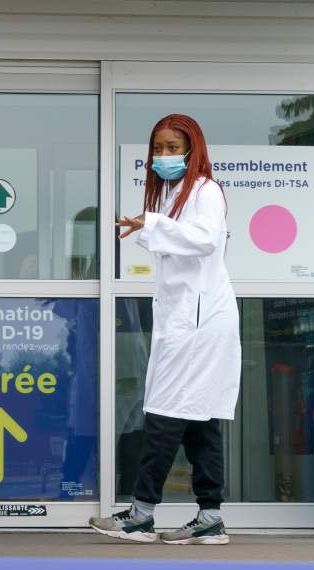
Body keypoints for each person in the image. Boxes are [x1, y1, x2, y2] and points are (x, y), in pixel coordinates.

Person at [90, 114, 241, 545]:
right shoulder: (175, 194)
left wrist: (153, 223)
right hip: (187, 320)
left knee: (164, 415)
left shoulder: (205, 190)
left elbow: (206, 238)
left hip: (198, 322)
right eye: (158, 148)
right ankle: (210, 517)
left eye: (173, 147)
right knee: (199, 421)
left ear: (193, 149)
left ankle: (141, 515)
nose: (164, 155)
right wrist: (151, 223)